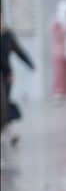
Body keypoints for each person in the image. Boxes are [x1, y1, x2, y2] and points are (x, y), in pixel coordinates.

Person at [1, 12, 34, 146]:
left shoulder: (8, 37)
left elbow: (19, 51)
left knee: (4, 103)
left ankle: (7, 128)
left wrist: (30, 64)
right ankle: (8, 130)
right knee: (2, 104)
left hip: (6, 75)